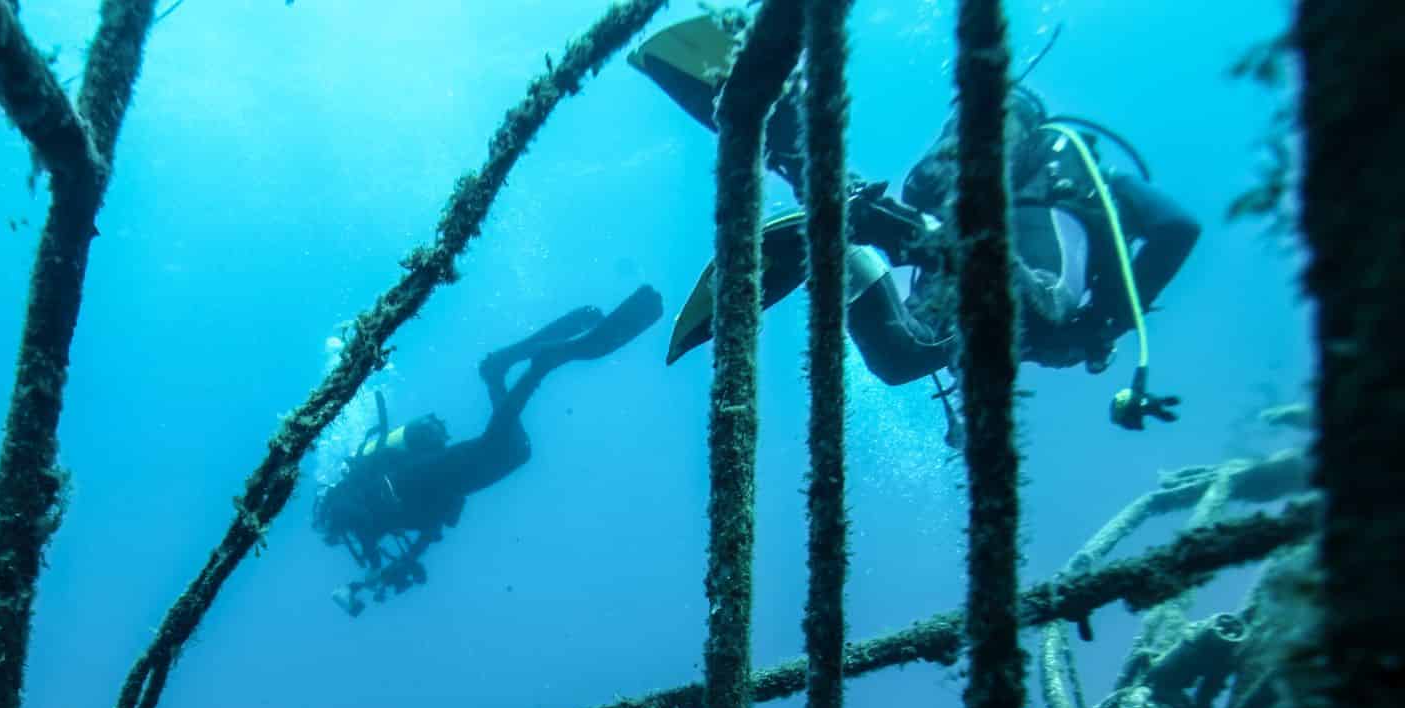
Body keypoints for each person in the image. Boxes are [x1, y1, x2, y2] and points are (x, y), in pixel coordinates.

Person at [630, 16, 1199, 434]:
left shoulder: (1051, 171)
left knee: (905, 353)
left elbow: (925, 190)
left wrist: (1097, 325)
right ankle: (838, 203)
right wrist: (1107, 321)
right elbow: (1178, 227)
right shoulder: (1080, 171)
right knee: (927, 345)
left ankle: (824, 190)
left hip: (984, 288)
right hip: (1024, 297)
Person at [312, 285, 663, 614]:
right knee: (516, 451)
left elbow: (360, 520)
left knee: (499, 448)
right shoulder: (357, 512)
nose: (330, 539)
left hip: (423, 477)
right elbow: (416, 529)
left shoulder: (340, 510)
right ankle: (496, 373)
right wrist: (390, 570)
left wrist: (368, 572)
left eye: (327, 534)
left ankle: (539, 366)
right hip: (434, 482)